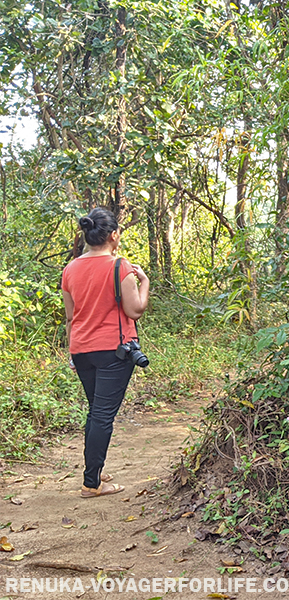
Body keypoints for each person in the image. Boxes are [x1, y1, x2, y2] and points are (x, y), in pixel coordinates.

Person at [61, 208, 150, 498]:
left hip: (82, 350)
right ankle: (92, 484)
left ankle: (94, 469)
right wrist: (145, 282)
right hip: (114, 351)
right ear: (113, 236)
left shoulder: (70, 269)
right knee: (102, 416)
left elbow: (70, 318)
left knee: (95, 412)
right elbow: (134, 310)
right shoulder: (120, 266)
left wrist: (72, 352)